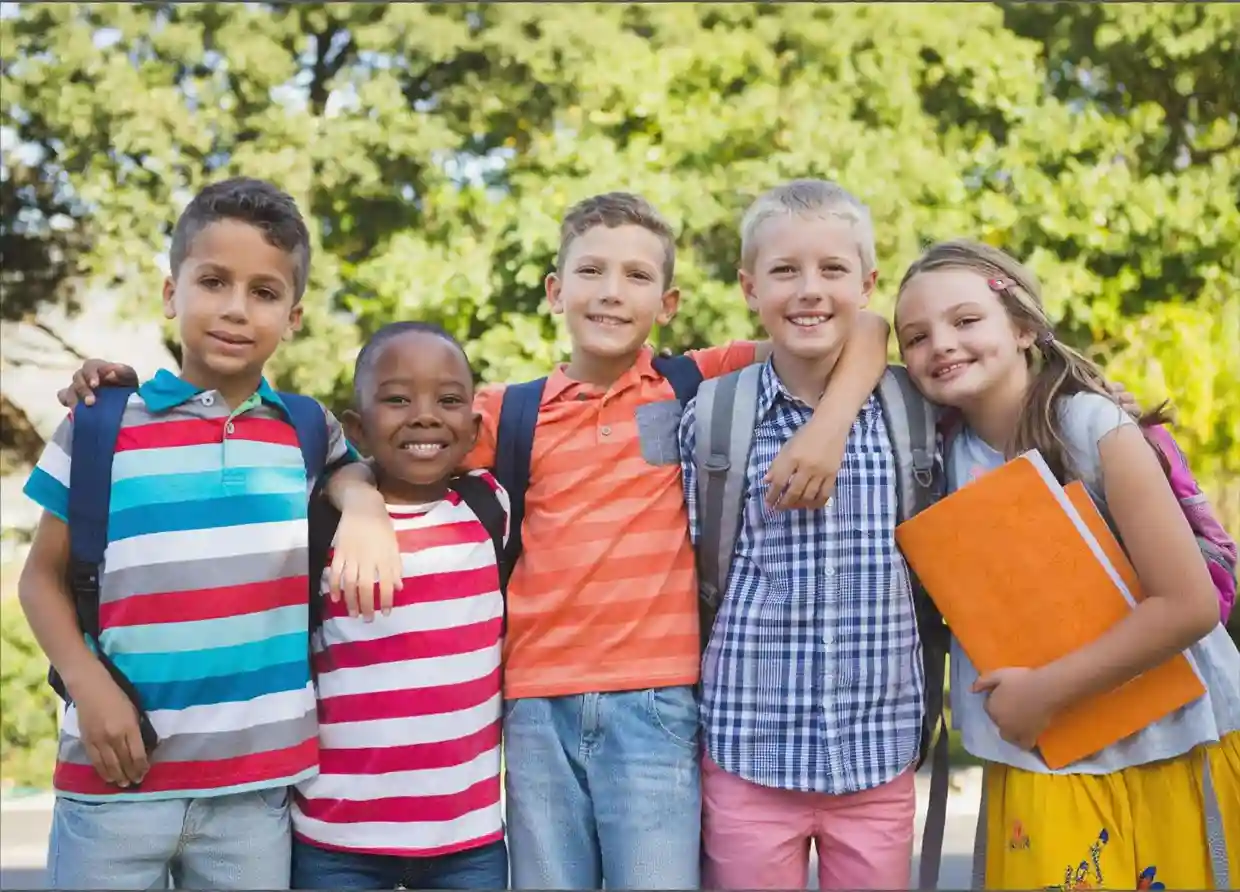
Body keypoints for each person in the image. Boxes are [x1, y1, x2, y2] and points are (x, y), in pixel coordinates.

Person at [55, 190, 893, 890]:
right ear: (552, 290)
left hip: (658, 701)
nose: (612, 291)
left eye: (637, 276)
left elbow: (863, 327)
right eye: (591, 272)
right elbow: (373, 440)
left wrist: (826, 429)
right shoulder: (499, 413)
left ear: (666, 304)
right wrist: (361, 505)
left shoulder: (689, 381)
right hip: (531, 704)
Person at [18, 177, 401, 891]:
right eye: (213, 281)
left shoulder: (305, 427)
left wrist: (365, 510)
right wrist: (85, 683)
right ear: (172, 294)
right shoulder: (100, 424)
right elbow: (40, 577)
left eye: (263, 292)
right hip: (113, 783)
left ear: (293, 316)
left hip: (253, 798)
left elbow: (352, 473)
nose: (235, 308)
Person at [894, 238, 1240, 891]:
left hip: (1173, 747)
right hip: (1042, 765)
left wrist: (1041, 695)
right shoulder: (934, 457)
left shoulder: (1095, 427)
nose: (940, 343)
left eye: (966, 321)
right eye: (915, 336)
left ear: (1024, 327)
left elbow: (1188, 604)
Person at [680, 180, 930, 891]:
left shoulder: (912, 409)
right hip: (746, 748)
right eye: (785, 271)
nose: (810, 290)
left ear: (868, 282)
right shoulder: (715, 415)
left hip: (877, 749)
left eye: (832, 270)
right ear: (749, 288)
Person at [290, 322, 510, 890]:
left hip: (466, 838)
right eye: (397, 399)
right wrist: (355, 493)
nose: (425, 415)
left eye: (449, 399)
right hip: (338, 840)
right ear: (358, 427)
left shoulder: (492, 510)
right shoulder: (323, 525)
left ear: (473, 429)